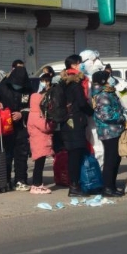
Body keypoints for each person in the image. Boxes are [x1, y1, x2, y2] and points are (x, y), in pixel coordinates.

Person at [0, 64, 33, 191]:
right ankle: (4, 180)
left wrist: (22, 113)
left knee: (21, 155)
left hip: (21, 127)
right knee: (5, 154)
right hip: (5, 126)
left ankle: (20, 180)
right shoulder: (3, 86)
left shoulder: (28, 89)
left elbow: (33, 106)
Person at [58, 54, 94, 197]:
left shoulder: (62, 82)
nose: (82, 66)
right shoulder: (75, 84)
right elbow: (81, 103)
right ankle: (74, 186)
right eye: (80, 63)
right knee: (75, 156)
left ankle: (75, 184)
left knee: (73, 154)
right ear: (74, 65)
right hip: (75, 123)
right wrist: (92, 112)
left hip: (65, 123)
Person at [91, 71, 126, 197]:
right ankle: (107, 188)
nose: (111, 79)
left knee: (115, 158)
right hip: (108, 131)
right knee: (110, 160)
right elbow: (106, 115)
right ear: (102, 81)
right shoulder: (103, 95)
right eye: (108, 78)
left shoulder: (109, 92)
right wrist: (123, 117)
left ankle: (112, 186)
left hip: (114, 129)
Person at [27, 73, 54, 194]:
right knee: (39, 165)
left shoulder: (33, 113)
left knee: (40, 164)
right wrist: (52, 124)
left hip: (40, 142)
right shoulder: (36, 114)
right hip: (39, 143)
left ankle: (38, 184)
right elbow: (44, 126)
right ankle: (36, 185)